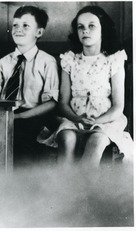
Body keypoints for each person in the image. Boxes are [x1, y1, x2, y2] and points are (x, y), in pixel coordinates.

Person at [54, 5, 133, 167]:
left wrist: (96, 121)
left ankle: (86, 189)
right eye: (80, 27)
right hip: (75, 119)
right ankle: (63, 187)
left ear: (103, 29)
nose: (85, 31)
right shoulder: (70, 60)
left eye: (91, 26)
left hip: (106, 121)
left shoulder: (113, 60)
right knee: (66, 138)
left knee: (96, 141)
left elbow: (118, 106)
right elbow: (63, 102)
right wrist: (78, 119)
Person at [0, 6, 59, 166]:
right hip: (4, 114)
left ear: (39, 32)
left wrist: (21, 116)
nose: (18, 29)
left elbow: (51, 103)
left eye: (26, 25)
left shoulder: (47, 61)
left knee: (20, 141)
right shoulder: (4, 62)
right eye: (15, 25)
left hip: (32, 116)